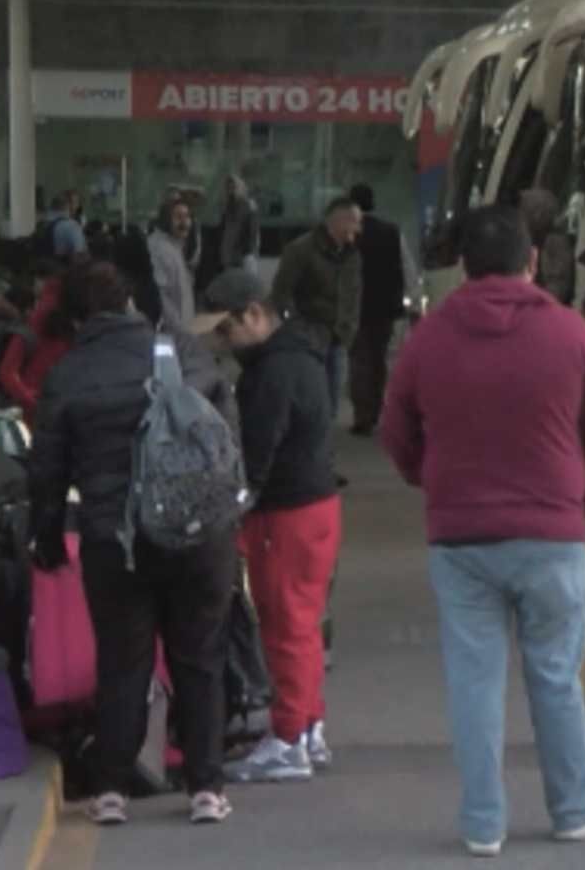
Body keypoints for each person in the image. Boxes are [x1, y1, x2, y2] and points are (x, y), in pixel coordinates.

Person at [379, 205, 585, 857]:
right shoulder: (570, 334)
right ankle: (571, 810)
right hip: (552, 535)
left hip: (461, 541)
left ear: (462, 266)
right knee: (556, 677)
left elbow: (393, 429)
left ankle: (484, 824)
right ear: (532, 261)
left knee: (474, 682)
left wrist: (429, 481)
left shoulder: (430, 337)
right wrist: (581, 495)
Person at [25, 261, 238, 827]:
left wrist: (46, 538)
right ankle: (206, 787)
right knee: (200, 658)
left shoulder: (69, 373)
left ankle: (112, 788)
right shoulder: (184, 352)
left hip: (114, 539)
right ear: (129, 304)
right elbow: (225, 434)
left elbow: (46, 472)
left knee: (124, 661)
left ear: (74, 316)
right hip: (199, 535)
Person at [193, 270, 341, 784]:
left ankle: (287, 738)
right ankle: (308, 725)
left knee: (285, 626)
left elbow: (257, 451)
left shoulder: (272, 373)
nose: (222, 343)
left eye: (226, 330)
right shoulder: (303, 358)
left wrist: (234, 500)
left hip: (285, 514)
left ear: (254, 314)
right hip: (317, 507)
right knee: (304, 620)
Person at [271, 197, 363, 414]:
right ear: (339, 221)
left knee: (331, 402)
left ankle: (324, 444)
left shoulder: (352, 255)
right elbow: (281, 293)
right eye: (354, 221)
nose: (359, 228)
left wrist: (350, 326)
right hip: (309, 338)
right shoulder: (300, 250)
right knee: (309, 401)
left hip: (339, 337)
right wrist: (297, 328)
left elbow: (354, 293)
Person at [347, 184, 406, 437]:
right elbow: (398, 271)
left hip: (357, 306)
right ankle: (376, 410)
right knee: (378, 360)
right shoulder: (390, 231)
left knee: (359, 360)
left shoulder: (350, 233)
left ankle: (362, 415)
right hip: (384, 307)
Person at [0, 260, 82, 421]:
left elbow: (7, 371)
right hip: (69, 405)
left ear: (42, 281)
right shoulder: (79, 313)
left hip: (37, 404)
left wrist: (29, 401)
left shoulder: (38, 316)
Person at [147, 195, 198, 335]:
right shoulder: (158, 249)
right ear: (165, 220)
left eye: (187, 216)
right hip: (170, 333)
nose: (185, 222)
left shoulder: (173, 247)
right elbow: (161, 297)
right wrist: (179, 331)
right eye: (178, 217)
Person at [219, 174, 261, 276]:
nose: (231, 191)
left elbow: (252, 233)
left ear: (242, 188)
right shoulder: (227, 208)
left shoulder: (249, 206)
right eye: (228, 188)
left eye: (234, 187)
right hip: (229, 257)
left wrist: (245, 253)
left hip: (245, 257)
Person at [39, 191, 88, 261]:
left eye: (77, 203)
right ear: (67, 204)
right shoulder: (71, 226)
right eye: (73, 202)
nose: (75, 206)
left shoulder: (41, 224)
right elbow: (80, 255)